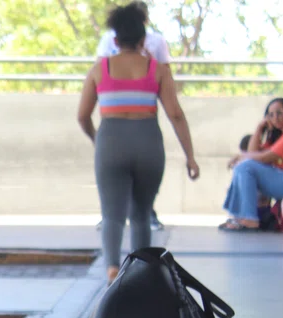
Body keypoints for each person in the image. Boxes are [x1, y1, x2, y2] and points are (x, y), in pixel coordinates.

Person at [77, 3, 200, 283]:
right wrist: (190, 156)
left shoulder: (99, 69)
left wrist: (99, 140)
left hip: (111, 141)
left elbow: (82, 115)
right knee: (142, 214)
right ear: (144, 40)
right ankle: (141, 272)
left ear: (115, 40)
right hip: (148, 143)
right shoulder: (157, 70)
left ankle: (111, 268)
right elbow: (176, 114)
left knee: (112, 214)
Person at [94, 0, 168, 232]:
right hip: (114, 118)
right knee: (115, 184)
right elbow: (98, 74)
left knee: (142, 185)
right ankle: (111, 216)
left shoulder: (156, 42)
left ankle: (146, 214)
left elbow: (166, 75)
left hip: (142, 116)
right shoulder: (108, 42)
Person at [218, 98, 283, 232]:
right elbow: (252, 153)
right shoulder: (279, 136)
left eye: (279, 113)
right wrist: (260, 128)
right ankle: (239, 217)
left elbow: (265, 157)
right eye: (271, 115)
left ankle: (249, 219)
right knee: (243, 167)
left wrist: (242, 156)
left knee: (245, 166)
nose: (275, 118)